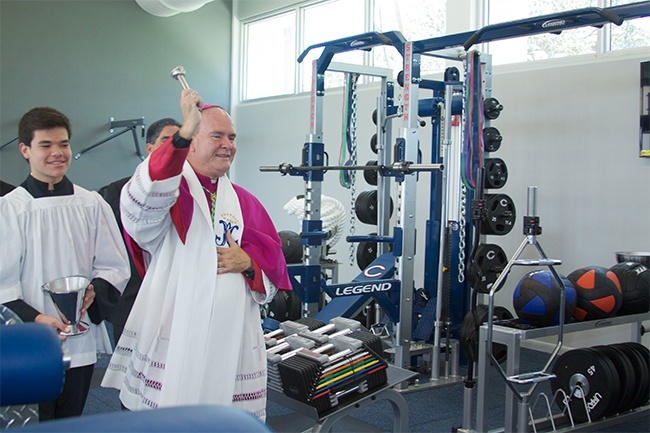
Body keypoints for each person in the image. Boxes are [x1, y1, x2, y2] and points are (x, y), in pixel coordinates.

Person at [101, 89, 291, 420]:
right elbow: (141, 208)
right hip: (174, 334)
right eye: (216, 135)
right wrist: (184, 128)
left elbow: (274, 264)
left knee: (225, 423)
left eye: (232, 137)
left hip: (230, 341)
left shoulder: (245, 201)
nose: (228, 144)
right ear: (190, 141)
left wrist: (249, 264)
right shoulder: (170, 192)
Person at [0, 107, 130, 420]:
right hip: (31, 338)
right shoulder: (10, 209)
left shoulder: (90, 203)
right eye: (46, 145)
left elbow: (115, 265)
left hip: (79, 337)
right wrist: (37, 319)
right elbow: (3, 282)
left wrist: (93, 293)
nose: (58, 153)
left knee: (71, 420)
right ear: (25, 150)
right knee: (33, 421)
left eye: (64, 144)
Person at [98, 118, 181, 346]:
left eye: (179, 141)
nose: (174, 147)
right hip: (131, 300)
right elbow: (107, 245)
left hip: (173, 300)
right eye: (166, 140)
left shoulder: (189, 194)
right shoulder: (120, 191)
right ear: (149, 148)